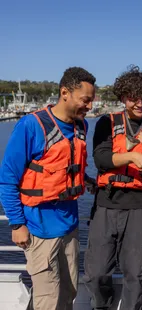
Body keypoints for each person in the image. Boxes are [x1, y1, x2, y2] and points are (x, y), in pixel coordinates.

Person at [0, 67, 96, 310]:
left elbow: (65, 166)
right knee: (48, 301)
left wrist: (86, 180)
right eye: (85, 100)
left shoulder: (80, 127)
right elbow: (8, 178)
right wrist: (17, 224)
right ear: (65, 93)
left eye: (91, 101)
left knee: (68, 293)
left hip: (69, 227)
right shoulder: (31, 126)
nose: (89, 107)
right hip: (38, 229)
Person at [84, 65, 142, 310]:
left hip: (140, 207)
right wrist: (131, 158)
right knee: (96, 272)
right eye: (133, 98)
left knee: (136, 273)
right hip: (106, 204)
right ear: (123, 98)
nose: (139, 103)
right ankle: (104, 305)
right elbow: (101, 159)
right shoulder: (105, 123)